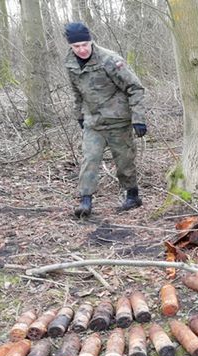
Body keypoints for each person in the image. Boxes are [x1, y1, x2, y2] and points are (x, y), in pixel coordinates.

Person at [64, 22, 147, 218]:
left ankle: (132, 196)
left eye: (85, 44)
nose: (82, 49)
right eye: (77, 46)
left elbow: (135, 88)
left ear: (91, 41)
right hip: (93, 121)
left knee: (124, 160)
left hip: (118, 119)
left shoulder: (109, 60)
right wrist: (80, 116)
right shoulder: (70, 63)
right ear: (70, 46)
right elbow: (77, 93)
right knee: (89, 159)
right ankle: (85, 201)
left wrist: (138, 119)